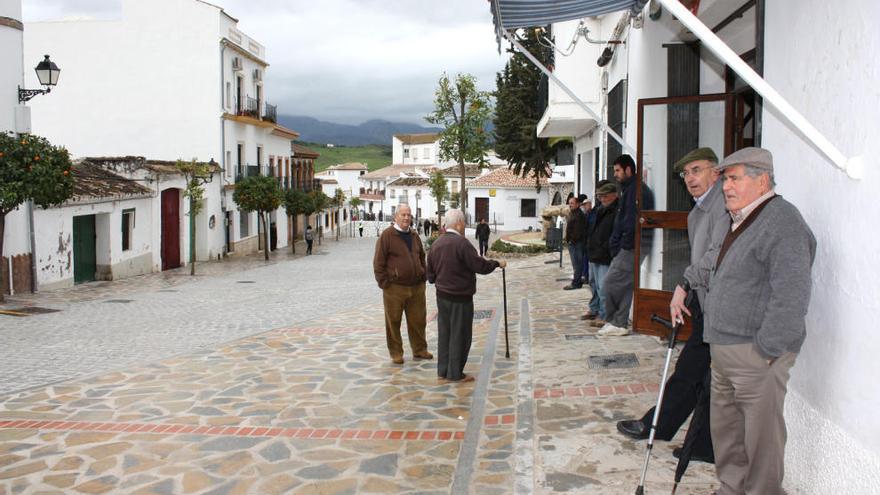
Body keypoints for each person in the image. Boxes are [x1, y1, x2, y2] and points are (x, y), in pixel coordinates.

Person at [675, 147, 815, 494]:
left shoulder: (782, 221)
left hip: (755, 354)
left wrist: (768, 349)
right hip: (722, 350)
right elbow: (712, 262)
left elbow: (792, 291)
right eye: (725, 180)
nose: (726, 187)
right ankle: (731, 488)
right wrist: (685, 283)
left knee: (761, 439)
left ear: (762, 179)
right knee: (728, 432)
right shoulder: (737, 218)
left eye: (734, 178)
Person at [616, 148, 727, 464]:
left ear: (715, 172)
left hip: (724, 307)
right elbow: (702, 258)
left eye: (696, 170)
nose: (690, 178)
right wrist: (692, 290)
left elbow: (718, 253)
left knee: (699, 372)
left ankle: (679, 435)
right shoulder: (699, 210)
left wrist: (684, 284)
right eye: (685, 174)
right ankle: (685, 438)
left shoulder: (721, 205)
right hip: (708, 303)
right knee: (697, 371)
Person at [426, 209, 506, 382]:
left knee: (445, 333)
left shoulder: (436, 244)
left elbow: (430, 275)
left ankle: (443, 370)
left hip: (442, 296)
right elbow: (480, 266)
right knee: (460, 335)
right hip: (460, 297)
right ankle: (455, 373)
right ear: (460, 223)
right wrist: (497, 263)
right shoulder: (462, 244)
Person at [598, 154, 655, 336]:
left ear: (628, 170)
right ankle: (619, 323)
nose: (615, 174)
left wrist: (622, 245)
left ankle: (614, 319)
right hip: (629, 246)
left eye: (617, 170)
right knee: (625, 286)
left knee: (608, 284)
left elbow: (631, 222)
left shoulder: (637, 191)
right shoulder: (628, 189)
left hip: (632, 247)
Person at [372, 204, 433, 365]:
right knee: (393, 321)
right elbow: (379, 262)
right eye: (403, 215)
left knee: (418, 320)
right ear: (396, 217)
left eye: (409, 215)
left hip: (416, 287)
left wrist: (423, 274)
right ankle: (396, 353)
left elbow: (421, 256)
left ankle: (419, 349)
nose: (406, 218)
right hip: (394, 288)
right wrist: (384, 283)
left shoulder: (414, 235)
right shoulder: (387, 235)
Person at [584, 182, 618, 324]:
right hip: (594, 252)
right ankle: (595, 309)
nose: (602, 199)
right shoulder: (599, 209)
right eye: (600, 196)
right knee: (593, 283)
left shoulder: (616, 210)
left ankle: (605, 316)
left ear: (614, 195)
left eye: (605, 196)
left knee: (603, 287)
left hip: (604, 254)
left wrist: (607, 248)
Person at [563, 196, 587, 290]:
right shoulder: (573, 213)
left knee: (577, 264)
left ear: (577, 204)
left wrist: (572, 240)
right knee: (576, 264)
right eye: (569, 203)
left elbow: (578, 231)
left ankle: (576, 283)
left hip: (577, 243)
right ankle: (577, 281)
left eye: (572, 203)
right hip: (574, 243)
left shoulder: (579, 215)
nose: (570, 205)